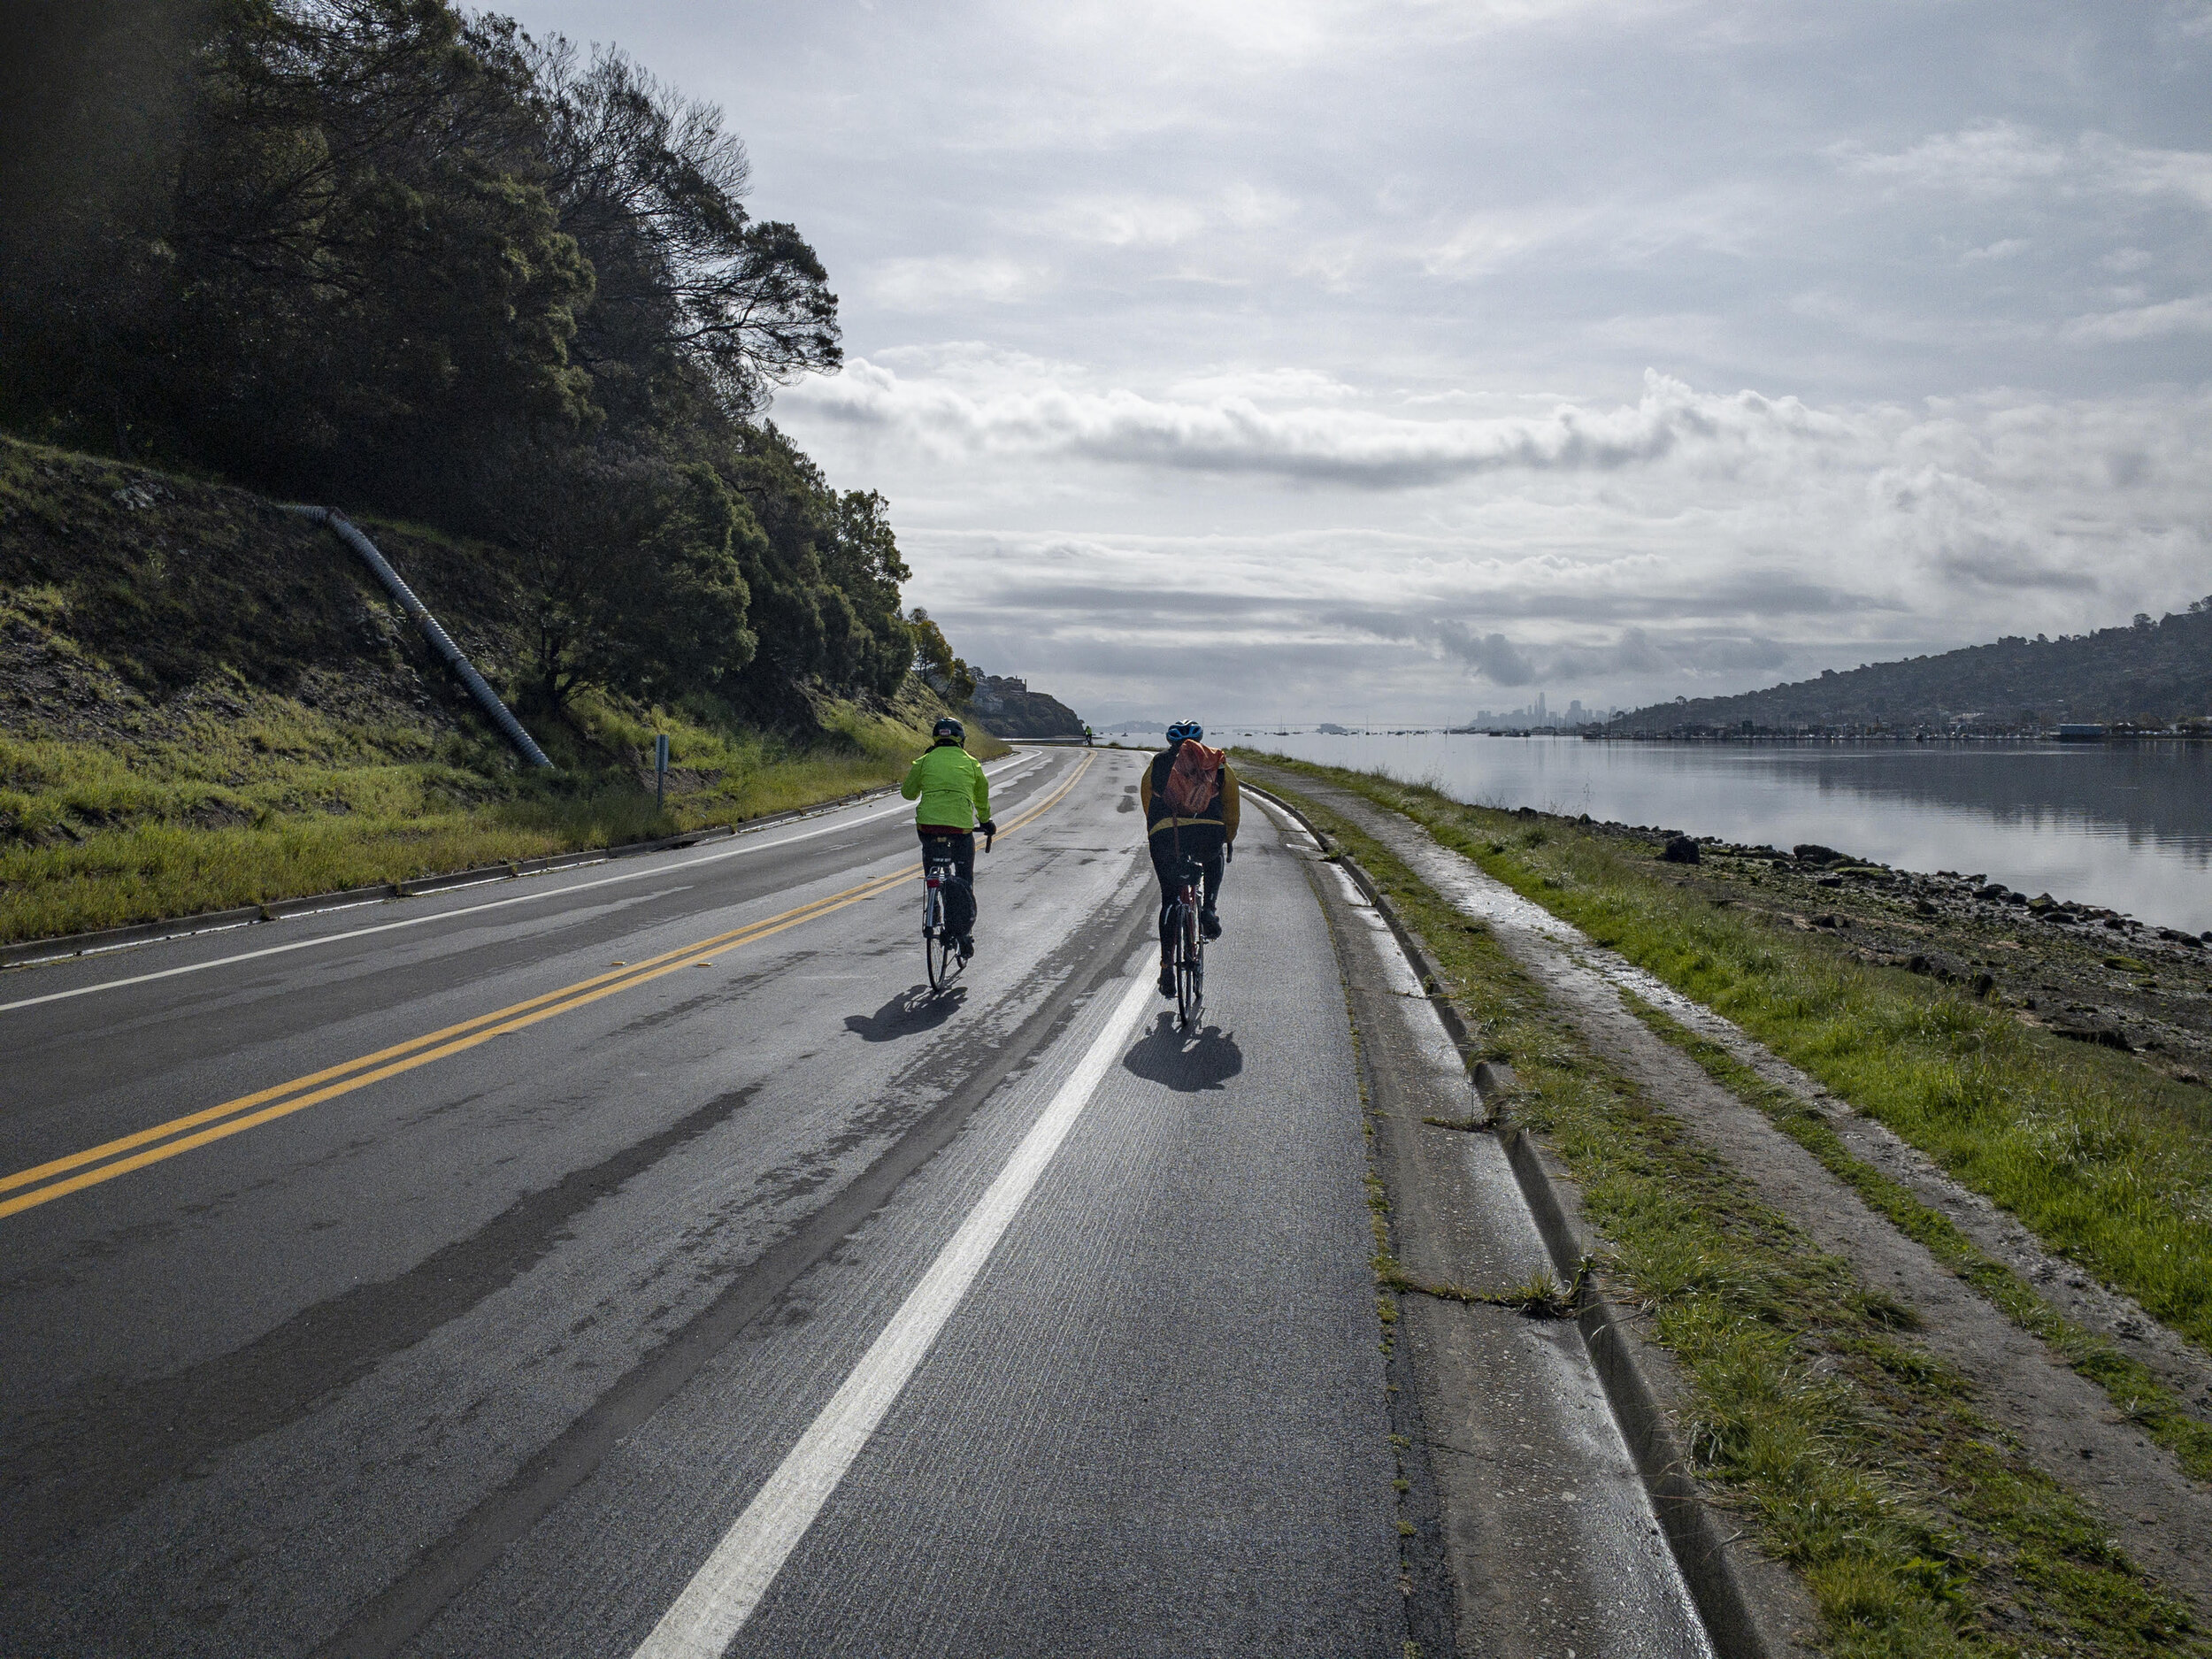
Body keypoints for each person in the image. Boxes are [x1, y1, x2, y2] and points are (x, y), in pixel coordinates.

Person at [1139, 719, 1239, 996]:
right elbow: (1231, 804)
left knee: (1169, 899)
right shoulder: (1217, 762)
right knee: (1213, 854)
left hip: (1167, 834)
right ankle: (1209, 908)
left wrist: (1156, 833)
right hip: (1208, 832)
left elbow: (1148, 800)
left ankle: (1166, 967)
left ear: (1170, 742)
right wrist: (1227, 836)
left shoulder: (1157, 764)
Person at [902, 716, 995, 958]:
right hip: (960, 829)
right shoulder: (972, 763)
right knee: (965, 879)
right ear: (961, 740)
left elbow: (908, 794)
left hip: (929, 827)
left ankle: (933, 906)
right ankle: (964, 933)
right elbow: (981, 797)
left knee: (931, 860)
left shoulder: (924, 760)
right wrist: (985, 822)